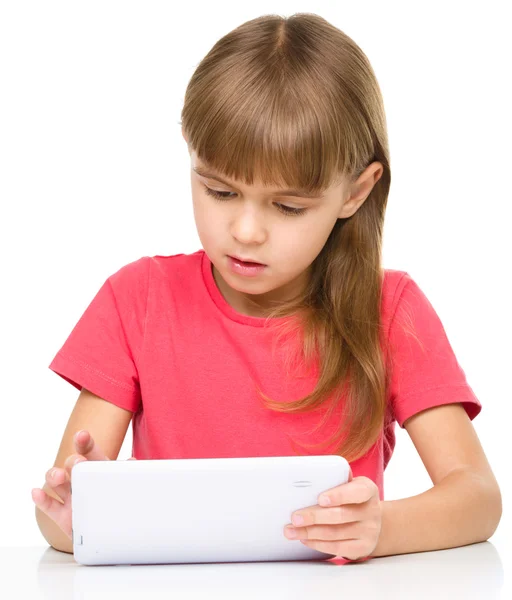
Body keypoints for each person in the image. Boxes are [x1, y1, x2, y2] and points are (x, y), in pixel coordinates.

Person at [31, 12, 502, 565]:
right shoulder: (138, 299)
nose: (246, 232)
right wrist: (73, 514)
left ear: (355, 192)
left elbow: (479, 497)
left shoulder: (389, 310)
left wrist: (381, 529)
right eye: (219, 191)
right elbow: (60, 519)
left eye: (287, 206)